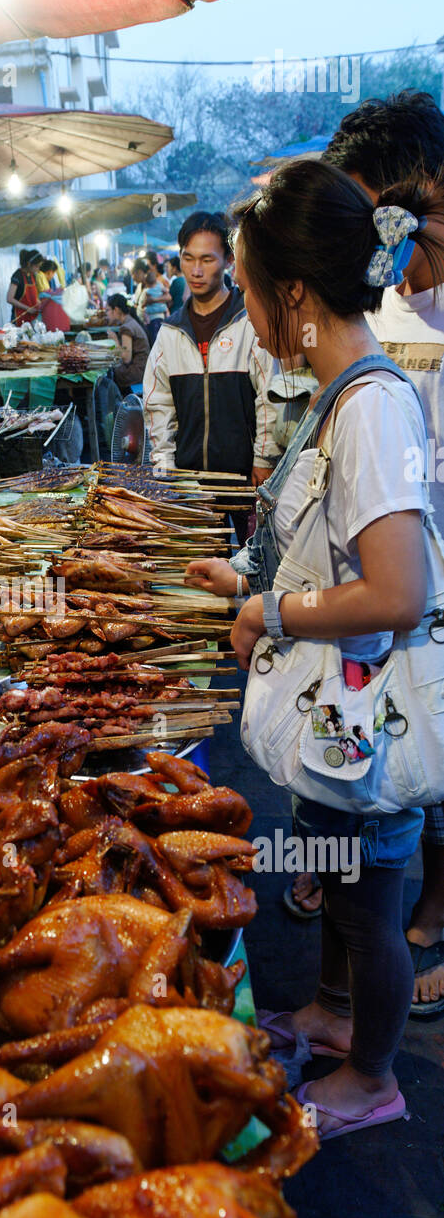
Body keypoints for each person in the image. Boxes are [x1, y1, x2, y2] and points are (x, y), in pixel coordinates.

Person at [186, 158, 444, 1138]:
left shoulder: (373, 405)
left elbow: (394, 590)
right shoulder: (337, 394)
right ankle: (335, 1015)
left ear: (291, 292)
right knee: (339, 879)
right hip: (336, 706)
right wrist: (247, 584)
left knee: (375, 896)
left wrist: (273, 616)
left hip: (363, 705)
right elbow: (322, 547)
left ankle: (372, 1076)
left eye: (249, 290)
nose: (246, 314)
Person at [280, 89, 444, 1005]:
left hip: (413, 588)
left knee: (408, 795)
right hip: (392, 594)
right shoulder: (377, 320)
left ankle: (402, 946)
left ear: (414, 193)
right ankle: (352, 948)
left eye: (365, 212)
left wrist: (274, 607)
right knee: (377, 807)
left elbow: (395, 590)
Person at [141, 211, 276, 537]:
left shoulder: (249, 322)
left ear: (229, 260)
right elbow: (158, 406)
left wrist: (263, 459)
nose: (196, 271)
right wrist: (165, 470)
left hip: (244, 482)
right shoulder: (170, 332)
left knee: (250, 571)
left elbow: (269, 396)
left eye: (207, 259)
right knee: (201, 573)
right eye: (188, 259)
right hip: (190, 487)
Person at [104, 293, 150, 392]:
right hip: (143, 370)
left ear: (116, 310)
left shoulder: (126, 328)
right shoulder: (130, 321)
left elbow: (126, 358)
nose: (106, 314)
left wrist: (115, 340)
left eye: (107, 310)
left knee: (108, 374)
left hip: (137, 373)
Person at [6, 249, 42, 325]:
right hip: (19, 317)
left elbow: (33, 297)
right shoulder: (17, 275)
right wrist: (28, 309)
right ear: (29, 264)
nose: (38, 269)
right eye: (36, 266)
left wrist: (40, 304)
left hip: (31, 318)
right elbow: (9, 298)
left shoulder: (33, 276)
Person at [35, 259, 71, 333]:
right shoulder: (40, 276)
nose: (53, 276)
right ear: (50, 271)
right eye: (53, 273)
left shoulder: (41, 276)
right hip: (42, 312)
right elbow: (45, 295)